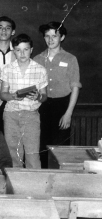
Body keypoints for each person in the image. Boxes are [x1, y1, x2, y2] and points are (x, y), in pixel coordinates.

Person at [34, 22, 81, 168]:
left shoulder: (70, 59)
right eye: (47, 36)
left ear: (62, 37)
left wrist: (68, 113)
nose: (50, 39)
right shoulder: (37, 59)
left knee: (60, 150)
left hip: (62, 106)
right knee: (42, 147)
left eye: (54, 36)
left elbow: (75, 87)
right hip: (42, 106)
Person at [0, 33, 48, 169]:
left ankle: (34, 188)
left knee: (32, 154)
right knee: (13, 154)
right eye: (18, 50)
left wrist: (37, 97)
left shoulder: (40, 70)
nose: (22, 53)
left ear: (31, 50)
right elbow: (3, 95)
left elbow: (44, 96)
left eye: (26, 49)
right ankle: (16, 187)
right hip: (11, 114)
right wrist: (13, 96)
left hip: (31, 116)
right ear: (13, 50)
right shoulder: (8, 69)